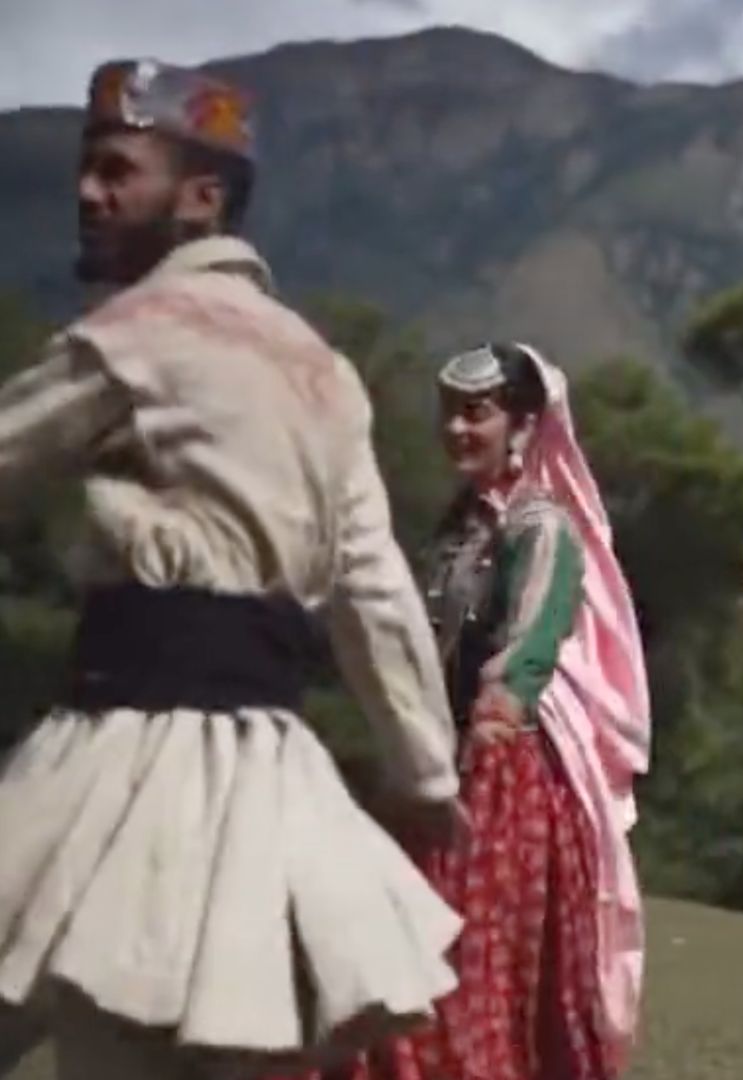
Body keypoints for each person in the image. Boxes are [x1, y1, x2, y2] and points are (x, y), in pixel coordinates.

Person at [0, 58, 468, 1078]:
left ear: (202, 197)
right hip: (273, 775)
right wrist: (424, 769)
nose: (88, 191)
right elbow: (374, 588)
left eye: (118, 169)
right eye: (87, 169)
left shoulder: (132, 337)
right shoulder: (323, 371)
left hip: (125, 756)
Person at [314, 342, 652, 1080]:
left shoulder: (541, 529)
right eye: (450, 415)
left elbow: (529, 648)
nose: (458, 430)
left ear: (522, 426)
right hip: (445, 764)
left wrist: (479, 741)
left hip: (504, 779)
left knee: (465, 967)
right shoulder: (461, 527)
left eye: (477, 414)